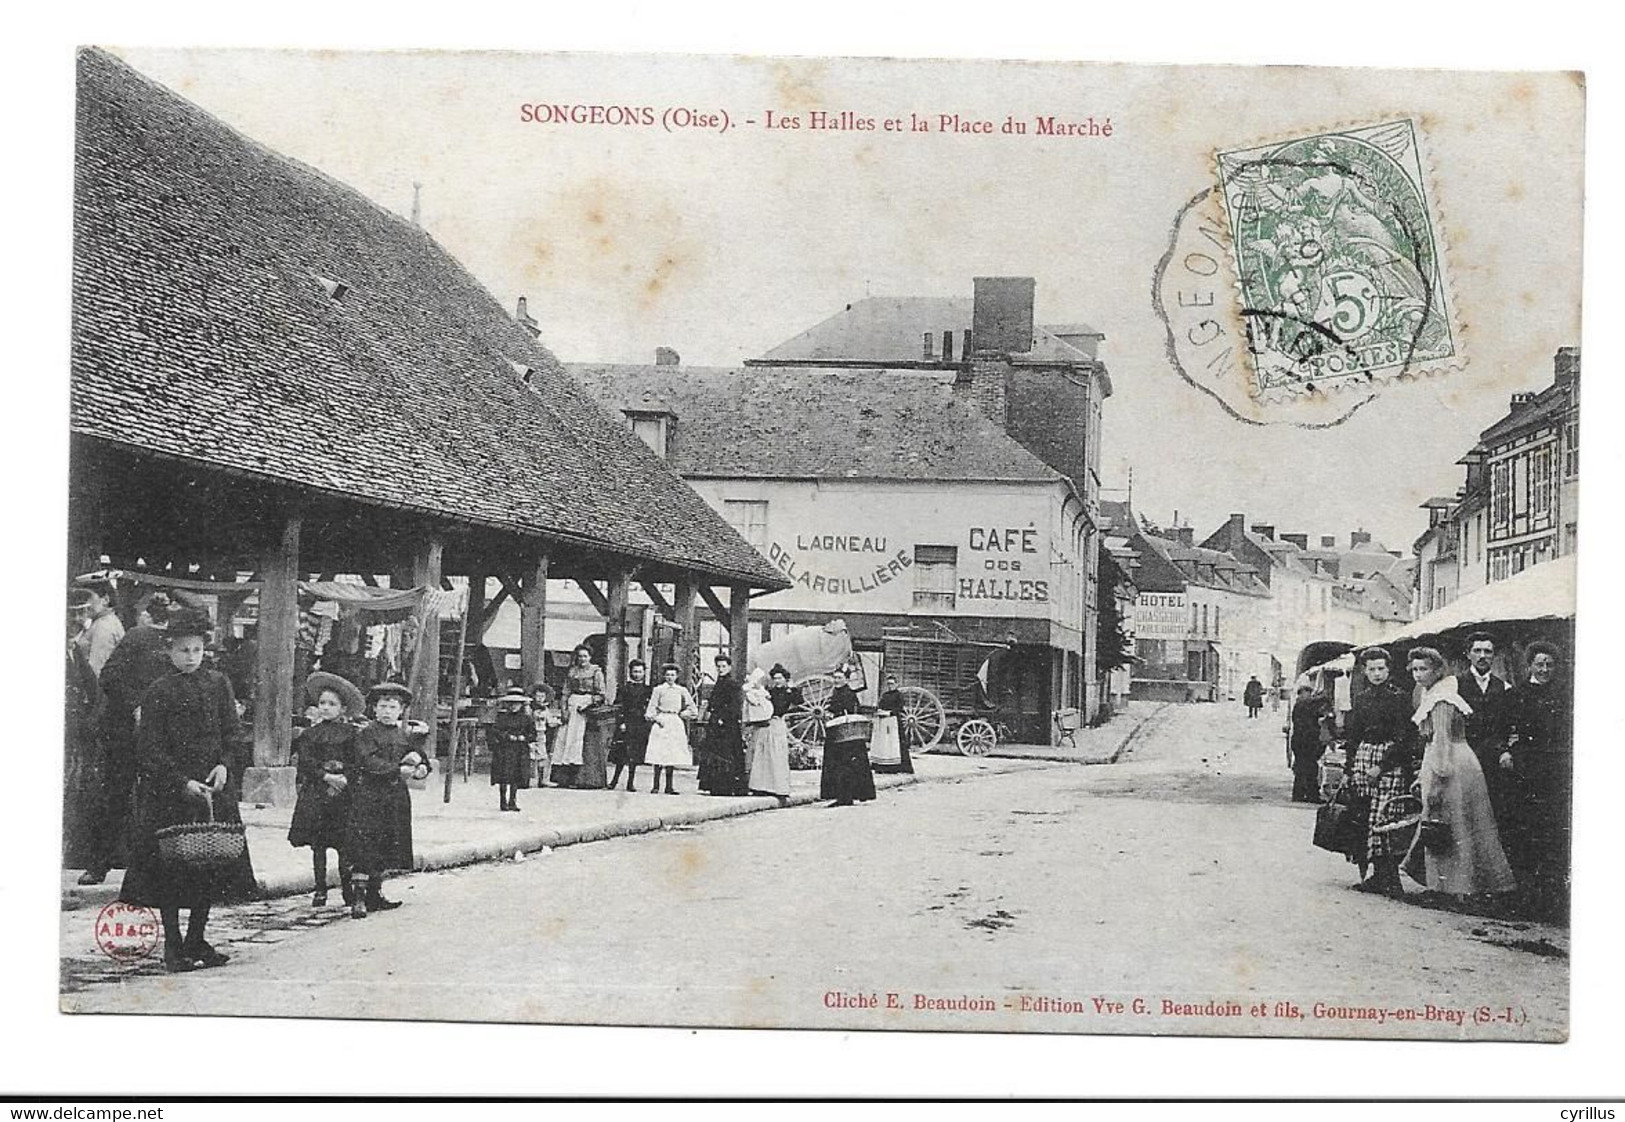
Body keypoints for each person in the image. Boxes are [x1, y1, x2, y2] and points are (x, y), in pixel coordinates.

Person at [117, 608, 256, 972]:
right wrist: (181, 782)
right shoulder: (158, 690)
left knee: (209, 865)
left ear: (204, 649)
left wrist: (225, 763)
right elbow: (149, 748)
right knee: (172, 871)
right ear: (170, 651)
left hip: (213, 788)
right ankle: (174, 946)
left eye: (196, 650)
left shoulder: (219, 683)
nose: (190, 658)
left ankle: (198, 938)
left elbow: (232, 731)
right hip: (171, 793)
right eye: (183, 651)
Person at [1400, 646, 1516, 902]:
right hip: (1457, 762)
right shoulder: (1436, 694)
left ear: (1437, 670)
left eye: (1424, 669)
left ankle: (1452, 889)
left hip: (1451, 764)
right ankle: (1453, 887)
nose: (1418, 675)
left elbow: (1442, 744)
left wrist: (1437, 783)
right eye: (1415, 670)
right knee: (1457, 826)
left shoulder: (1442, 700)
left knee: (1449, 825)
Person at [77, 592, 175, 885]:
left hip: (160, 733)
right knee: (116, 795)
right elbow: (109, 676)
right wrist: (136, 705)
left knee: (160, 797)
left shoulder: (180, 648)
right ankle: (98, 864)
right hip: (123, 730)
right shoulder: (136, 637)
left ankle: (155, 866)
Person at [345, 682, 428, 919]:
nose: (387, 711)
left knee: (386, 845)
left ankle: (375, 893)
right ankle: (359, 898)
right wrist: (396, 770)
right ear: (374, 708)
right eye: (382, 706)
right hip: (370, 796)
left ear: (401, 711)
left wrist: (421, 767)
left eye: (392, 707)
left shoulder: (402, 734)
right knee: (366, 846)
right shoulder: (366, 734)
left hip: (394, 797)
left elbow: (419, 757)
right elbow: (367, 761)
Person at [1340, 648, 1416, 896]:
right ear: (1364, 671)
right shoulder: (1361, 698)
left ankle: (1391, 878)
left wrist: (1382, 766)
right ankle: (1376, 875)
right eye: (1371, 669)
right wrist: (1349, 769)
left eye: (1381, 668)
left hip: (1389, 761)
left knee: (1386, 817)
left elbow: (1404, 738)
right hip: (1364, 757)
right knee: (1365, 817)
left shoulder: (1399, 698)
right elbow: (1354, 735)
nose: (1376, 674)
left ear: (1389, 670)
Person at [1506, 640, 1573, 920]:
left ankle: (1552, 899)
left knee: (1553, 832)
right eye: (1539, 664)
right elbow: (1506, 727)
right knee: (1525, 830)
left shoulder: (1565, 693)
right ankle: (1525, 897)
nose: (1544, 669)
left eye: (1549, 664)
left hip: (1555, 769)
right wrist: (1507, 751)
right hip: (1526, 768)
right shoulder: (1518, 694)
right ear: (1529, 665)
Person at [287, 673, 361, 907]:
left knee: (344, 845)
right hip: (317, 794)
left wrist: (344, 778)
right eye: (322, 703)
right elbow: (306, 762)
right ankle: (320, 889)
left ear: (343, 709)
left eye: (332, 704)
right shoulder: (310, 735)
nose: (326, 708)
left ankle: (347, 889)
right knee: (318, 846)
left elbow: (356, 761)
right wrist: (326, 776)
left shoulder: (351, 734)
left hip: (343, 795)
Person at [1456, 632, 1516, 836]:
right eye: (1477, 651)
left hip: (1493, 760)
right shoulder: (1455, 685)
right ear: (1468, 654)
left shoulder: (1505, 688)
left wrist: (1504, 751)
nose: (1482, 656)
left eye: (1487, 651)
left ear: (1494, 656)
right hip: (1464, 757)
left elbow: (1507, 727)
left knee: (1493, 812)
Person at [820, 667, 876, 807]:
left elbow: (851, 711)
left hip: (847, 736)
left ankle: (846, 796)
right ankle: (842, 795)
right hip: (838, 733)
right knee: (839, 765)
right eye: (835, 678)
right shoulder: (837, 692)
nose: (836, 681)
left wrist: (834, 715)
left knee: (845, 765)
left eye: (839, 678)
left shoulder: (848, 694)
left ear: (846, 679)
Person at [554, 646, 605, 788]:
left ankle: (581, 778)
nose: (582, 659)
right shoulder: (572, 671)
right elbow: (565, 692)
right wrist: (563, 710)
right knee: (564, 739)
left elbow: (600, 694)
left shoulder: (596, 671)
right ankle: (563, 778)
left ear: (590, 657)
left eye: (585, 656)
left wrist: (588, 703)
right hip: (572, 704)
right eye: (580, 656)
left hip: (586, 708)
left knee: (579, 740)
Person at [644, 663, 697, 795]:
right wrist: (656, 718)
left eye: (672, 675)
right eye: (667, 674)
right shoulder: (658, 690)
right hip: (662, 721)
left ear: (677, 676)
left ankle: (669, 786)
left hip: (675, 722)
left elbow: (692, 708)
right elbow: (651, 708)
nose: (670, 677)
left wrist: (684, 714)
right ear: (664, 676)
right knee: (659, 753)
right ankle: (655, 785)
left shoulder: (681, 690)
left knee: (671, 754)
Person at [699, 654, 749, 796]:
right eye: (718, 666)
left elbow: (735, 705)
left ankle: (727, 785)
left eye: (723, 666)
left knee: (727, 753)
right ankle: (716, 784)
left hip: (727, 725)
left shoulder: (732, 684)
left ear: (729, 667)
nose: (720, 669)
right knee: (715, 753)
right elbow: (713, 702)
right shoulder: (719, 682)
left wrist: (724, 718)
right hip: (716, 723)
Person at [609, 660, 654, 792]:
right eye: (635, 671)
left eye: (640, 671)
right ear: (630, 672)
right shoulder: (624, 688)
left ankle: (630, 782)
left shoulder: (648, 689)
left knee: (635, 754)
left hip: (640, 724)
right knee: (621, 753)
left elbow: (651, 706)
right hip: (626, 722)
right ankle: (614, 781)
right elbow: (619, 706)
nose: (637, 674)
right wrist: (621, 722)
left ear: (644, 673)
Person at [488, 689, 535, 812]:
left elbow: (533, 734)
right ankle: (503, 801)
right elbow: (496, 731)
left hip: (520, 750)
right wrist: (507, 736)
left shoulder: (527, 718)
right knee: (504, 776)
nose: (513, 706)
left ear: (521, 705)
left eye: (516, 703)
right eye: (511, 703)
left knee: (516, 776)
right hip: (505, 749)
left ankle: (512, 801)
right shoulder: (502, 717)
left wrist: (524, 738)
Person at [762, 664, 802, 797]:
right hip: (769, 724)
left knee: (779, 755)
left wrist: (792, 688)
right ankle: (766, 786)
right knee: (768, 755)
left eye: (780, 678)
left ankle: (780, 788)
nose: (777, 681)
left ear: (785, 679)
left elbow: (799, 702)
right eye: (775, 678)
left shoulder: (789, 692)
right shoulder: (770, 692)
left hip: (779, 723)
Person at [74, 578, 126, 678]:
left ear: (105, 600)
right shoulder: (104, 621)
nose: (84, 603)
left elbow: (96, 670)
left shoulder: (104, 627)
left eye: (88, 597)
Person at [741, 666, 780, 797]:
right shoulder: (750, 692)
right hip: (758, 722)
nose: (760, 683)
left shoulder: (763, 691)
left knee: (762, 755)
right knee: (754, 754)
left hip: (765, 722)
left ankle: (762, 783)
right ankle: (753, 783)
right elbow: (753, 702)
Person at [1287, 684, 1330, 803]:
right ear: (1302, 693)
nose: (1309, 695)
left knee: (1302, 768)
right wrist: (1325, 695)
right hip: (1304, 742)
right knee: (1310, 768)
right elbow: (1313, 706)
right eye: (1307, 693)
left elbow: (1316, 712)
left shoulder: (1301, 705)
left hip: (1301, 741)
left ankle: (1299, 794)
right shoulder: (1302, 704)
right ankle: (1312, 795)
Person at [872, 673, 914, 775]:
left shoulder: (899, 695)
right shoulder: (885, 695)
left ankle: (897, 767)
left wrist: (890, 713)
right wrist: (879, 710)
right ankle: (881, 766)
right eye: (888, 684)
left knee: (895, 744)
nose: (890, 686)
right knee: (884, 744)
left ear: (896, 684)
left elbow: (900, 708)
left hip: (894, 721)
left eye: (892, 684)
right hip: (883, 721)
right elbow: (880, 705)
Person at [528, 682, 561, 787]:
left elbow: (550, 721)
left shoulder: (545, 709)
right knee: (530, 756)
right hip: (531, 734)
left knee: (542, 756)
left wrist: (557, 722)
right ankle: (527, 779)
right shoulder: (529, 708)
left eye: (542, 696)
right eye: (537, 696)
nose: (539, 699)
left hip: (541, 734)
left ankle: (542, 780)